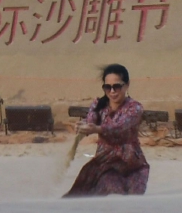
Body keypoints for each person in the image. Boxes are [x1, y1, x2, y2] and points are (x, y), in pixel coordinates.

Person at [63, 62, 149, 197]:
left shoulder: (135, 108)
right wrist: (84, 126)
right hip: (107, 165)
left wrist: (97, 129)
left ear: (126, 85)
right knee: (113, 192)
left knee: (133, 199)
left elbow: (120, 126)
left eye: (117, 86)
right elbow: (91, 120)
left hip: (133, 166)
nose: (112, 91)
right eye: (107, 87)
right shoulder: (98, 105)